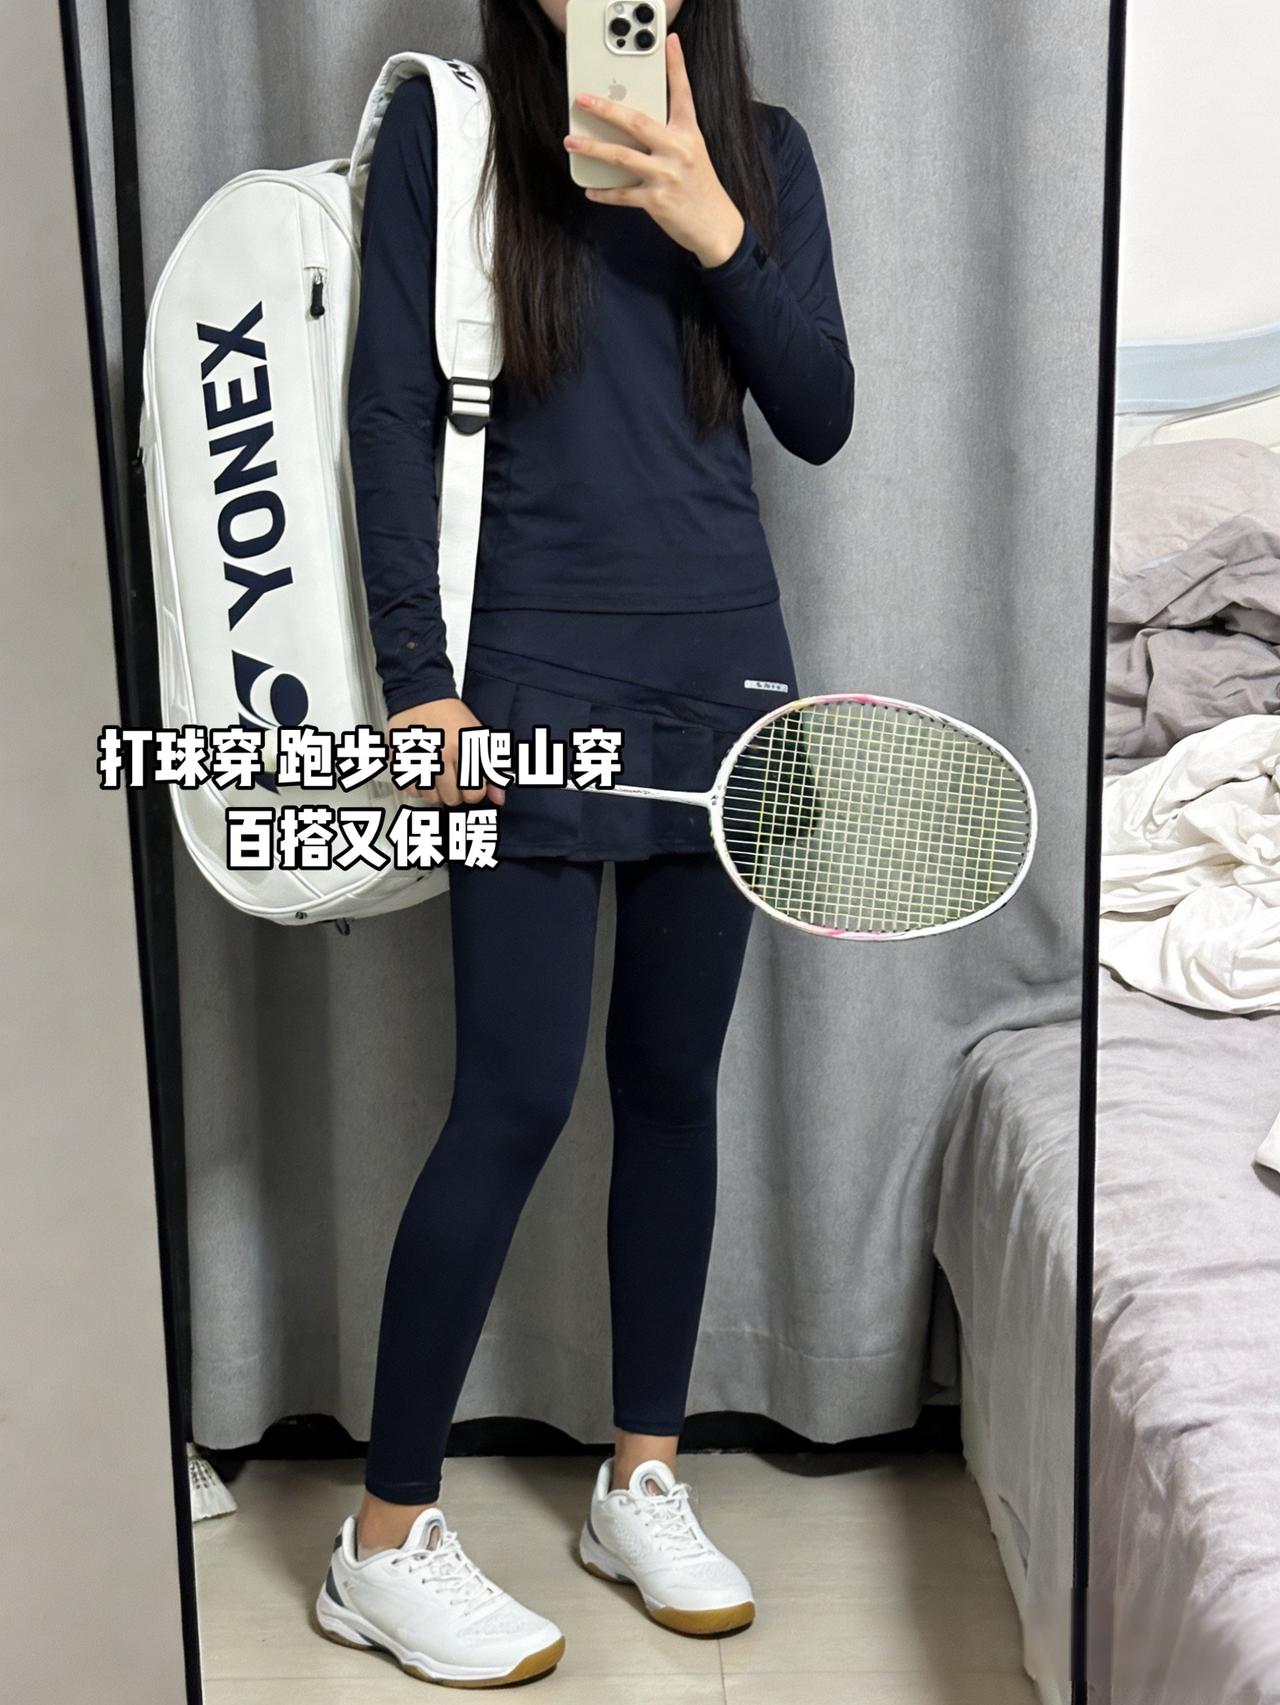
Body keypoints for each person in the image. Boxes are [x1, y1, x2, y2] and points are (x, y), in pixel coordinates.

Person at [314, 0, 853, 1685]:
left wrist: (711, 222)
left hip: (727, 678)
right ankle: (379, 1542)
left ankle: (644, 1477)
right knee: (516, 1096)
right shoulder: (456, 133)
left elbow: (820, 410)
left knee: (676, 1083)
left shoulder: (764, 154)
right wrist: (423, 684)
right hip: (527, 678)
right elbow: (387, 411)